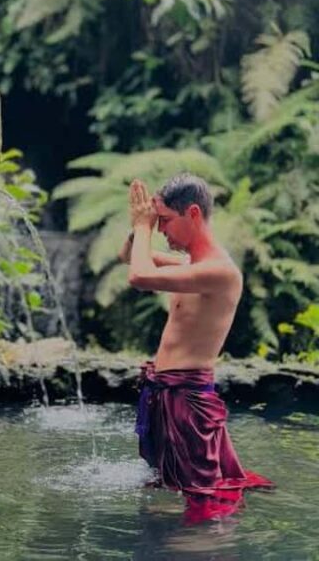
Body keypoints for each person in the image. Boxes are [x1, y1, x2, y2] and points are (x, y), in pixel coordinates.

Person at [119, 173, 273, 513]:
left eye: (166, 222)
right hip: (165, 393)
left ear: (193, 214)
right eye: (158, 224)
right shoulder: (191, 264)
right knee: (172, 484)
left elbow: (139, 277)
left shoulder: (220, 272)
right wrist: (140, 223)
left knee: (204, 497)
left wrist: (145, 226)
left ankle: (208, 547)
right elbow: (129, 257)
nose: (161, 231)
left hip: (188, 399)